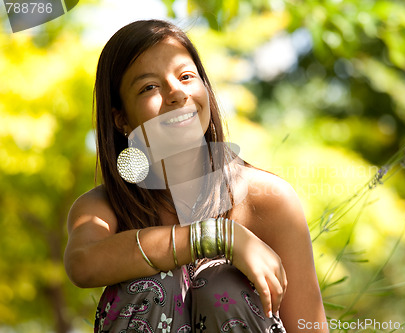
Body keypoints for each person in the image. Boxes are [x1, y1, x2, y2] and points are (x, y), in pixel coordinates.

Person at [64, 19, 327, 333]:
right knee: (154, 283)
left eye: (186, 76)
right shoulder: (104, 206)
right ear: (121, 118)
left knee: (223, 286)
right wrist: (219, 237)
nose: (176, 93)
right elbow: (82, 263)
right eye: (149, 87)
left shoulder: (267, 200)